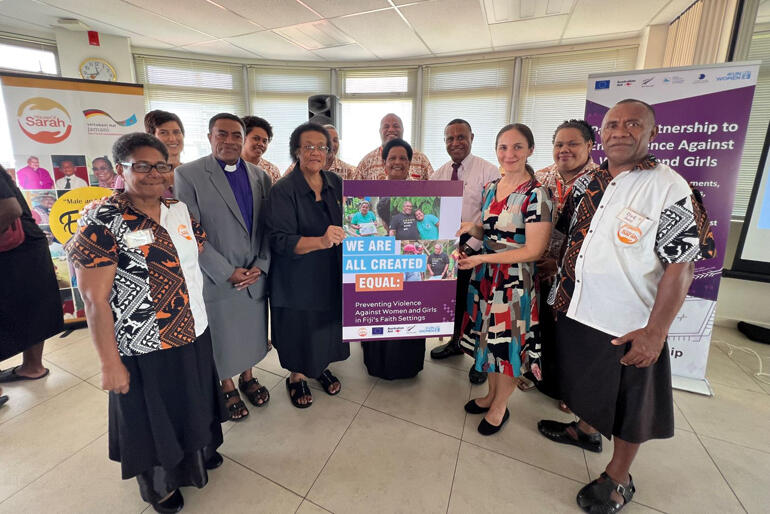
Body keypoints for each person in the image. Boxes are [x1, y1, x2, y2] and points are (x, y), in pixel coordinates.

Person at [537, 100, 715, 513]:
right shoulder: (590, 181)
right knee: (581, 383)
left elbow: (681, 267)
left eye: (632, 124)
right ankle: (584, 430)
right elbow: (566, 235)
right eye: (612, 124)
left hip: (627, 320)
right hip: (574, 305)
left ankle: (618, 477)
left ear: (652, 133)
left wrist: (655, 333)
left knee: (631, 405)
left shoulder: (670, 187)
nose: (619, 131)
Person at [66, 132, 227, 513]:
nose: (154, 173)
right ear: (120, 169)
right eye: (141, 166)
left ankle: (197, 459)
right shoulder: (103, 219)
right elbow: (94, 299)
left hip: (192, 329)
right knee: (155, 418)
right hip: (143, 343)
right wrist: (109, 364)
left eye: (162, 165)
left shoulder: (178, 208)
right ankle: (160, 486)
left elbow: (194, 255)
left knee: (192, 403)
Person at [457, 123, 553, 436]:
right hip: (484, 276)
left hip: (513, 282)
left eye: (517, 147)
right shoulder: (491, 187)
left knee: (508, 347)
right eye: (503, 147)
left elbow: (534, 250)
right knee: (488, 340)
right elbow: (489, 231)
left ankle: (501, 406)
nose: (509, 154)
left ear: (530, 150)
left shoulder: (537, 194)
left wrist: (484, 257)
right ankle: (491, 395)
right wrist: (470, 229)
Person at [175, 113, 272, 422]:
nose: (229, 141)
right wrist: (226, 270)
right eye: (222, 134)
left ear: (243, 139)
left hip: (254, 271)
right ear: (209, 137)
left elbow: (269, 226)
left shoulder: (260, 176)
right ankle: (226, 384)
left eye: (236, 135)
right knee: (223, 333)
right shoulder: (188, 175)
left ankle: (247, 376)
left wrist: (262, 264)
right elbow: (188, 230)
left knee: (251, 331)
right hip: (217, 274)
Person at [266, 122, 349, 408]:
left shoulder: (336, 183)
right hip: (297, 275)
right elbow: (280, 240)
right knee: (300, 328)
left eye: (322, 147)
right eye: (309, 146)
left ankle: (320, 367)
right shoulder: (283, 190)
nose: (316, 152)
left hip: (332, 272)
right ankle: (297, 376)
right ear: (296, 151)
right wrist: (321, 241)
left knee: (326, 326)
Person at [534, 119, 599, 411]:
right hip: (538, 268)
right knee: (542, 326)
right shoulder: (541, 178)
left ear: (589, 146)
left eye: (573, 144)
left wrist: (558, 261)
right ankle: (539, 376)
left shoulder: (604, 182)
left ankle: (571, 392)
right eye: (559, 144)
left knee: (573, 338)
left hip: (579, 276)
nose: (564, 150)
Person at [429, 119, 500, 386]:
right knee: (457, 300)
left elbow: (491, 217)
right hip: (449, 246)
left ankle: (480, 359)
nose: (455, 143)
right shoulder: (440, 173)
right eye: (449, 138)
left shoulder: (489, 171)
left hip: (479, 245)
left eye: (461, 137)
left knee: (479, 305)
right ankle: (456, 343)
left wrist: (468, 250)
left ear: (472, 137)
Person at [360, 138, 426, 380]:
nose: (398, 162)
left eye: (403, 158)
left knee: (408, 310)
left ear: (410, 163)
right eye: (392, 158)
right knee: (382, 310)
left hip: (410, 259)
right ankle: (377, 364)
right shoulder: (372, 192)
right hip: (381, 261)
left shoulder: (421, 192)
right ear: (384, 163)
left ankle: (409, 366)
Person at [0, 165, 62, 384]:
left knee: (31, 307)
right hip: (27, 244)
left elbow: (9, 209)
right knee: (32, 306)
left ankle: (33, 367)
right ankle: (32, 367)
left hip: (16, 247)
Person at [116, 110, 185, 195]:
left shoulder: (193, 173)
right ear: (151, 138)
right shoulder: (130, 174)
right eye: (163, 133)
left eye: (176, 132)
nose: (172, 138)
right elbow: (117, 204)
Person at [355, 113, 433, 181]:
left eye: (396, 126)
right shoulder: (366, 162)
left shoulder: (422, 159)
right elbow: (354, 193)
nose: (391, 129)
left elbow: (434, 190)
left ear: (403, 130)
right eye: (386, 126)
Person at [285, 124, 356, 180]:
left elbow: (361, 197)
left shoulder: (350, 171)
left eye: (335, 140)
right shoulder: (296, 168)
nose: (332, 144)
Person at [241, 116, 282, 184]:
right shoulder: (231, 165)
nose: (261, 144)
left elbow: (280, 193)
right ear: (243, 138)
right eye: (256, 138)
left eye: (264, 141)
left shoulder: (272, 170)